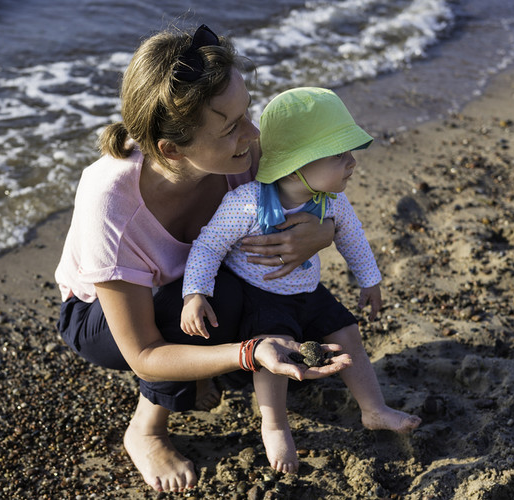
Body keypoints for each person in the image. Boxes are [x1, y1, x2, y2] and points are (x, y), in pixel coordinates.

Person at [54, 25, 354, 493]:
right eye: (231, 127)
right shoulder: (109, 200)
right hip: (104, 317)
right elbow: (145, 355)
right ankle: (146, 430)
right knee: (202, 305)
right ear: (172, 149)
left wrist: (322, 234)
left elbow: (318, 189)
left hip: (211, 285)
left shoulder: (243, 155)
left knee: (307, 319)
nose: (253, 134)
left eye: (246, 113)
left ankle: (204, 369)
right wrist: (249, 351)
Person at [180, 87, 422, 473]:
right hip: (260, 295)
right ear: (297, 166)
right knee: (274, 356)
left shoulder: (332, 201)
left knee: (347, 330)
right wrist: (195, 293)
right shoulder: (246, 204)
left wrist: (369, 280)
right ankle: (274, 426)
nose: (352, 163)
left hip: (308, 289)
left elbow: (353, 237)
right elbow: (208, 246)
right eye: (339, 155)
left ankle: (373, 409)